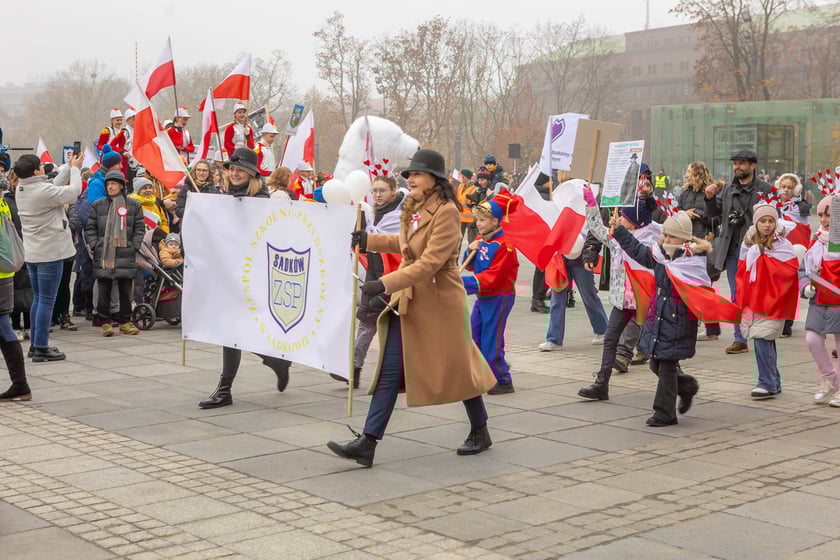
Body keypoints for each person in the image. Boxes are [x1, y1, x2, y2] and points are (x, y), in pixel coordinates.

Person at [327, 149, 497, 467]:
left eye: (416, 174)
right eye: (410, 175)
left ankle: (480, 429)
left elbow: (430, 263)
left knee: (458, 368)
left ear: (434, 179)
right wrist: (368, 240)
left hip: (439, 303)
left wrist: (385, 282)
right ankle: (368, 441)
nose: (411, 179)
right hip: (407, 300)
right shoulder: (413, 208)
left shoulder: (446, 211)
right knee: (389, 373)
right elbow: (404, 244)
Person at [198, 147, 292, 409]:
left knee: (236, 331)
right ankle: (273, 362)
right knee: (232, 331)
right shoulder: (227, 197)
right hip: (229, 275)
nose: (235, 174)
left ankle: (231, 386)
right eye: (232, 169)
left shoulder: (262, 202)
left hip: (254, 276)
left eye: (240, 170)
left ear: (252, 174)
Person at [611, 210, 706, 426]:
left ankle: (664, 414)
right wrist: (620, 231)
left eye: (671, 236)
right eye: (665, 234)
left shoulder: (691, 261)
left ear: (684, 238)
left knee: (666, 367)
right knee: (656, 365)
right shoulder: (660, 255)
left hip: (678, 322)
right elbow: (638, 251)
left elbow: (701, 292)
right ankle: (686, 386)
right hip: (659, 319)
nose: (666, 239)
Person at [578, 196, 661, 400]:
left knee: (658, 347)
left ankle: (680, 381)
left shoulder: (651, 240)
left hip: (646, 301)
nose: (619, 219)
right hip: (623, 300)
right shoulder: (616, 237)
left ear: (634, 222)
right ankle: (601, 383)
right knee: (610, 339)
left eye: (623, 217)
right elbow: (597, 229)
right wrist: (591, 205)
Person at [331, 175, 405, 389]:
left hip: (393, 273)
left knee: (387, 324)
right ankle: (354, 366)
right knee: (368, 320)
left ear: (393, 190)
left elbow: (397, 244)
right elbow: (370, 241)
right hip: (374, 271)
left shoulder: (401, 215)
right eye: (374, 191)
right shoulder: (372, 214)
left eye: (382, 190)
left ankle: (383, 369)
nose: (378, 195)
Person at [14, 154, 83, 362]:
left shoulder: (23, 188)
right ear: (36, 171)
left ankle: (37, 343)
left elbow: (53, 185)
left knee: (39, 298)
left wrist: (68, 168)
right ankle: (41, 347)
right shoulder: (42, 191)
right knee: (46, 300)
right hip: (50, 252)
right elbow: (74, 192)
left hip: (34, 253)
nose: (43, 167)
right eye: (41, 166)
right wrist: (76, 170)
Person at [705, 149, 771, 354]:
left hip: (758, 250)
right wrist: (709, 198)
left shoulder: (765, 189)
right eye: (735, 163)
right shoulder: (726, 190)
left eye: (742, 163)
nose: (737, 167)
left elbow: (775, 218)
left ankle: (762, 333)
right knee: (736, 295)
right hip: (733, 251)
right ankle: (739, 338)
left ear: (753, 166)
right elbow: (714, 213)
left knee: (759, 295)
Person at [736, 204, 799, 399]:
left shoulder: (783, 245)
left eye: (771, 221)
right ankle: (773, 380)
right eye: (763, 221)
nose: (767, 225)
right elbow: (741, 271)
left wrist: (766, 262)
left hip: (772, 300)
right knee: (764, 338)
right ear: (756, 223)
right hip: (754, 300)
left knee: (763, 338)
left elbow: (789, 271)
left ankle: (766, 382)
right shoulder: (748, 244)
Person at [462, 196, 519, 395]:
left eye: (482, 220)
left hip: (499, 297)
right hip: (483, 296)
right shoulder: (480, 240)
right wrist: (469, 250)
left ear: (495, 221)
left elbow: (493, 277)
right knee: (473, 335)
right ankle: (486, 374)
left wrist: (461, 283)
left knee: (491, 341)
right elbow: (470, 265)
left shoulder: (505, 246)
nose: (478, 224)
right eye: (477, 220)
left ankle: (503, 380)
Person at [85, 171, 144, 337]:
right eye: (108, 184)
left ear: (122, 186)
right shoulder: (98, 205)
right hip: (104, 253)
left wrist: (134, 245)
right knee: (104, 288)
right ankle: (105, 322)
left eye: (114, 184)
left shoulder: (133, 205)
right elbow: (90, 228)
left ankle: (125, 321)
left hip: (125, 252)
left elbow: (139, 228)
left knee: (126, 289)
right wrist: (96, 244)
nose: (110, 186)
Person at [802, 195, 840, 405]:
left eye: (829, 215)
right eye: (821, 215)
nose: (824, 220)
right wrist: (805, 287)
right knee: (812, 339)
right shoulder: (816, 240)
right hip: (819, 299)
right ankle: (830, 379)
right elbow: (802, 269)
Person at [680, 161, 722, 342]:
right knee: (689, 286)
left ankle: (712, 328)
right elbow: (676, 213)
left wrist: (697, 214)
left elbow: (715, 217)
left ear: (697, 174)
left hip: (703, 243)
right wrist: (683, 214)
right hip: (686, 243)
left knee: (703, 286)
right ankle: (695, 325)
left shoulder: (711, 192)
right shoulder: (685, 193)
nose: (686, 175)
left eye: (689, 172)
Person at [0, 192, 31, 401]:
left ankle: (21, 384)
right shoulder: (3, 203)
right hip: (5, 272)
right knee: (3, 326)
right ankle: (20, 384)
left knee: (3, 326)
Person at [777, 173, 812, 338]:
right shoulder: (772, 203)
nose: (786, 190)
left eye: (790, 187)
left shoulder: (801, 207)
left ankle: (787, 322)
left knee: (790, 286)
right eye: (783, 187)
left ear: (795, 189)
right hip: (777, 250)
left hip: (794, 250)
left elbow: (804, 229)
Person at [455, 169, 477, 245]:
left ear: (465, 177)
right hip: (460, 218)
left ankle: (470, 256)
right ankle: (455, 257)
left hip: (471, 219)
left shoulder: (474, 188)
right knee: (457, 241)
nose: (461, 178)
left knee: (471, 241)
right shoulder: (460, 186)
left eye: (462, 176)